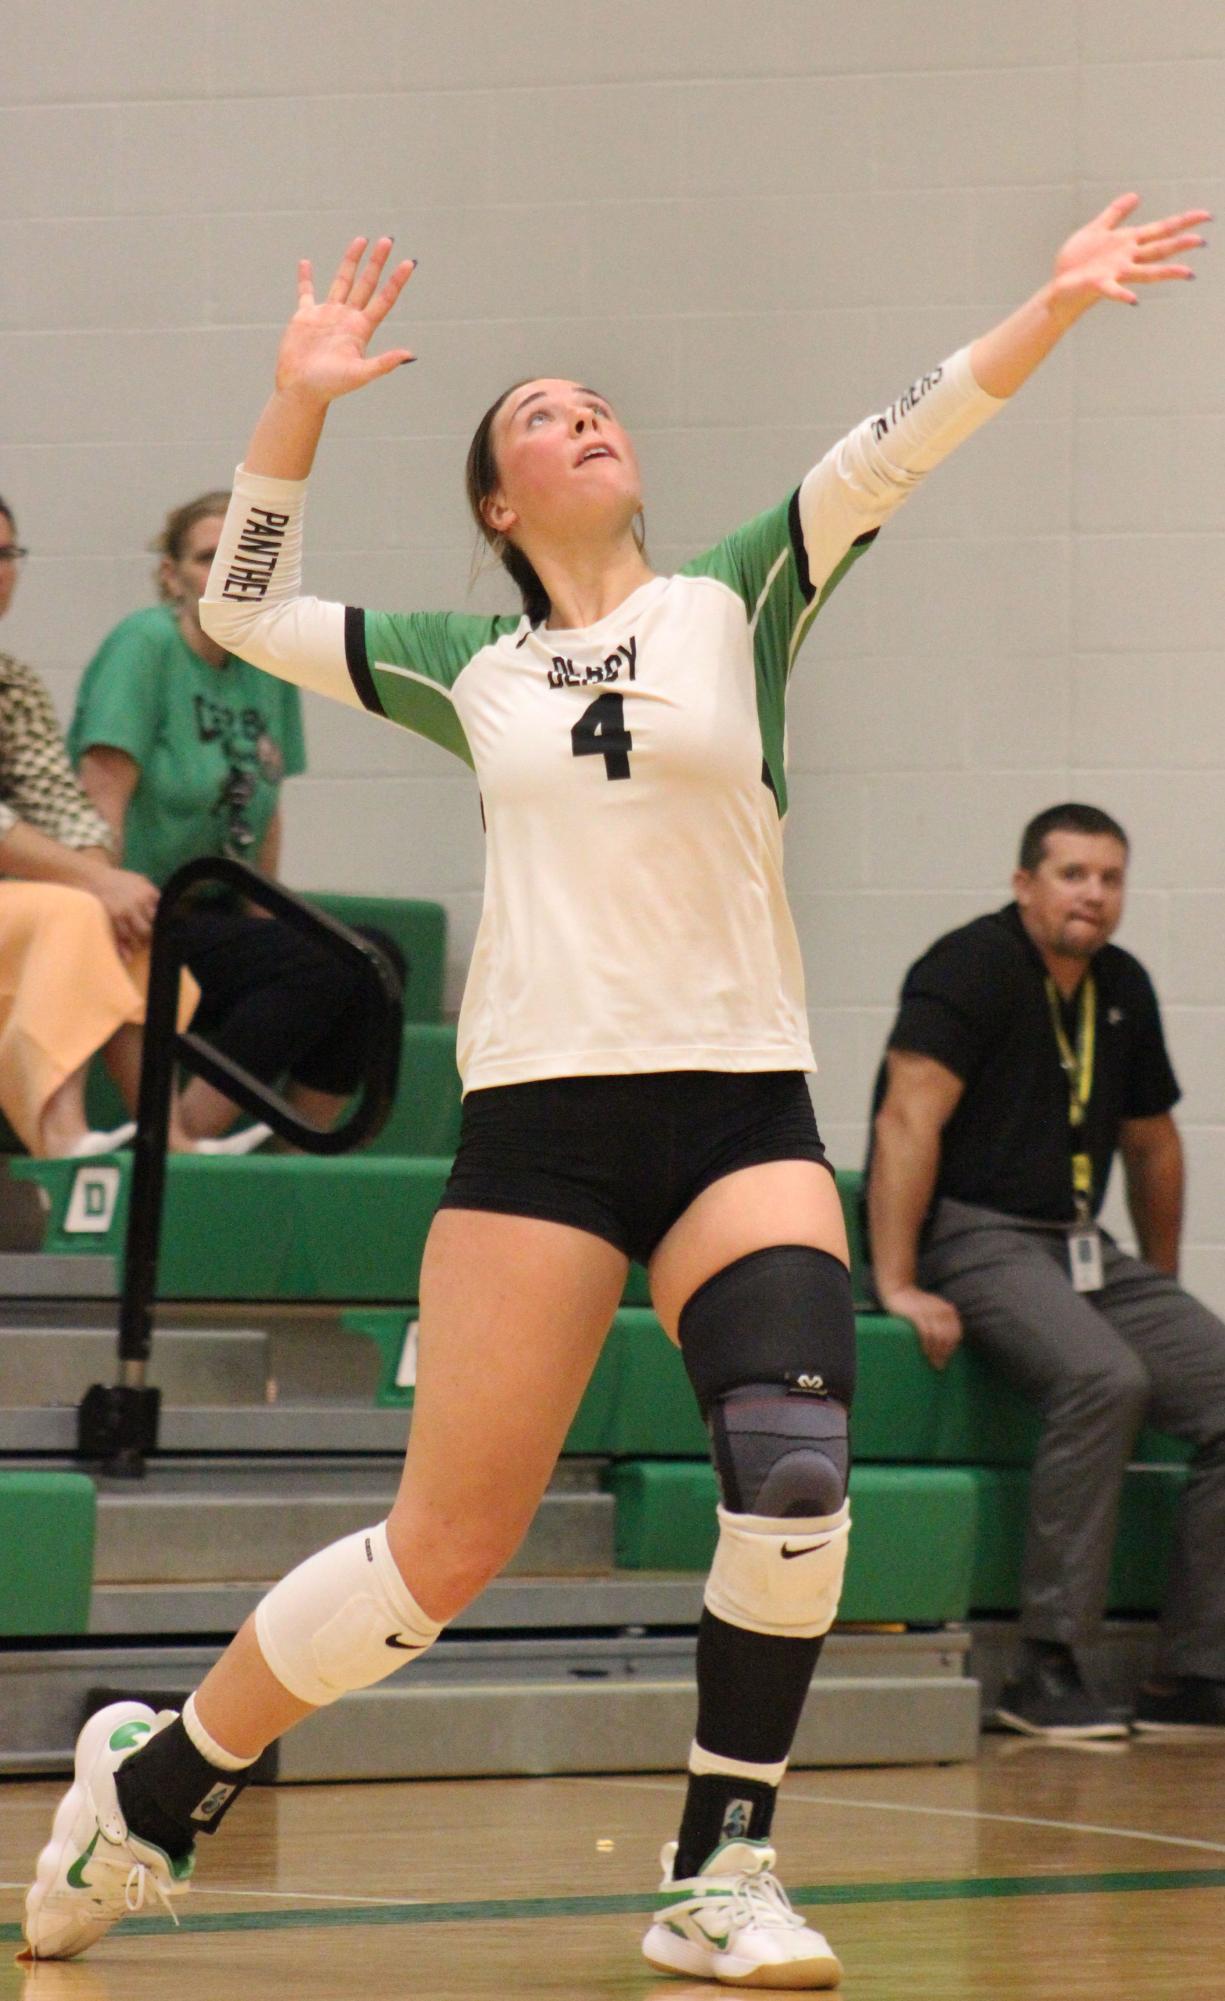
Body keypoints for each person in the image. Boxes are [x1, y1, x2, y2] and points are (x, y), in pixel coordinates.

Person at [23, 194, 1209, 1987]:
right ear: (500, 506)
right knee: (440, 1556)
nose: (585, 417)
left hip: (739, 1110)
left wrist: (1046, 307)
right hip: (543, 1130)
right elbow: (245, 601)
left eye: (597, 403)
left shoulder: (738, 595)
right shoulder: (461, 659)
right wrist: (302, 401)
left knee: (799, 1472)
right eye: (538, 418)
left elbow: (899, 443)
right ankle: (160, 1773)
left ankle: (719, 1868)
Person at [867, 803, 1225, 1741]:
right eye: (1072, 874)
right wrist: (897, 1280)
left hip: (1077, 1243)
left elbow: (1152, 1147)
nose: (1092, 895)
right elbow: (907, 1120)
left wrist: (1160, 1283)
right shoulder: (969, 966)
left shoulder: (1120, 984)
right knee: (1104, 1375)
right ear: (1025, 881)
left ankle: (1191, 1672)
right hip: (974, 1232)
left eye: (1109, 878)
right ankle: (1045, 1666)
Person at [69, 493, 392, 1150]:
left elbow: (266, 810)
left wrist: (270, 927)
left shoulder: (267, 662)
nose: (226, 572)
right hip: (138, 912)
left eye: (242, 558)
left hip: (211, 913)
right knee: (319, 966)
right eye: (206, 557)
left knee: (371, 958)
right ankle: (183, 1143)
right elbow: (100, 792)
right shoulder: (146, 644)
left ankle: (290, 1155)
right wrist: (105, 909)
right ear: (171, 575)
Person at [0, 492, 196, 1157]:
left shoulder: (13, 681)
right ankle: (57, 1133)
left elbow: (59, 801)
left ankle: (168, 1138)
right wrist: (93, 883)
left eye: (6, 554)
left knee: (124, 922)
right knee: (74, 912)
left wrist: (106, 884)